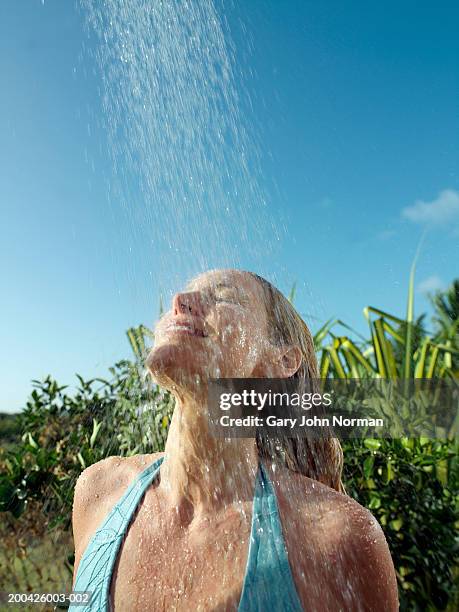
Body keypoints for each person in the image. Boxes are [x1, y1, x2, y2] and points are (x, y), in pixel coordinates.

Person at [71, 269, 399, 611]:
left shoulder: (336, 539)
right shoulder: (98, 492)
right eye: (183, 294)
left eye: (224, 296)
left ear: (282, 360)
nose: (179, 302)